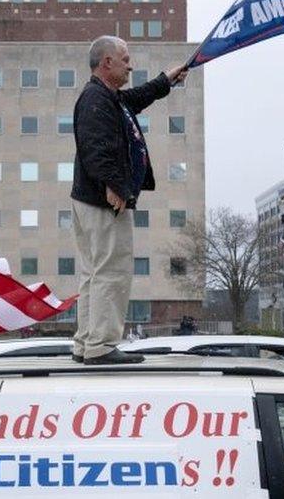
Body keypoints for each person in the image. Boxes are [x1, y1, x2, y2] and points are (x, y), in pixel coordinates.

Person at [69, 35, 188, 365]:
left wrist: (166, 81)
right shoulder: (97, 100)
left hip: (90, 199)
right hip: (103, 201)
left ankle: (87, 343)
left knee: (94, 273)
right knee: (112, 272)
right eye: (125, 59)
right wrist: (115, 186)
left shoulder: (106, 97)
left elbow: (135, 98)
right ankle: (102, 346)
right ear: (106, 63)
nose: (130, 65)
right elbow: (96, 149)